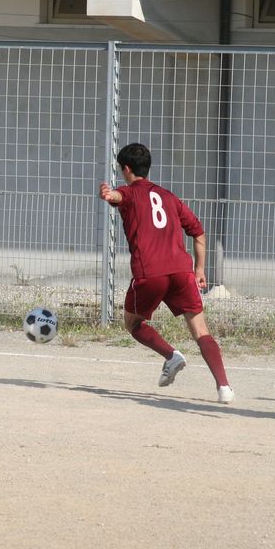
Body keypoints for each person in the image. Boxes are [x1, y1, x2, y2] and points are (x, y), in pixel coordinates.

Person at [98, 142, 233, 404]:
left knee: (132, 323)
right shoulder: (169, 197)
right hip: (182, 271)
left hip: (150, 273)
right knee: (201, 331)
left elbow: (118, 197)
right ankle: (224, 388)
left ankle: (171, 356)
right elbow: (198, 232)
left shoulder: (129, 193)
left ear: (127, 169)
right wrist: (200, 269)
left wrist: (108, 194)